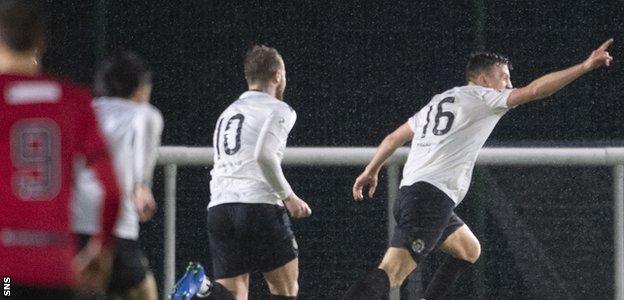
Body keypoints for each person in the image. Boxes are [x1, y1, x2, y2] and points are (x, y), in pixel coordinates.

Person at [344, 39, 614, 299]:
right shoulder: (483, 98)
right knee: (392, 273)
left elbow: (393, 138)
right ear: (484, 80)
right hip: (430, 199)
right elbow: (535, 90)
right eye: (504, 77)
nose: (509, 84)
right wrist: (584, 66)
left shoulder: (441, 99)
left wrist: (371, 170)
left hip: (412, 194)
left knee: (468, 249)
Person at [0, 0, 121, 298]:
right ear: (42, 41)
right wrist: (100, 249)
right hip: (55, 269)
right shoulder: (75, 100)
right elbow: (113, 191)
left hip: (5, 273)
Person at [171, 45, 311, 300]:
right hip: (258, 206)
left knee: (233, 295)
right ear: (278, 75)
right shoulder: (280, 109)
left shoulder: (227, 113)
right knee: (286, 290)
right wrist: (289, 197)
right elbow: (264, 156)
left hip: (220, 210)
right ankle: (204, 288)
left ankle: (204, 288)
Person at [72, 50, 163, 299]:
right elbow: (144, 142)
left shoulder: (85, 110)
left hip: (70, 222)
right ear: (140, 88)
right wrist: (142, 185)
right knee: (144, 291)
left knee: (9, 284)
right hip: (112, 225)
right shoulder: (145, 114)